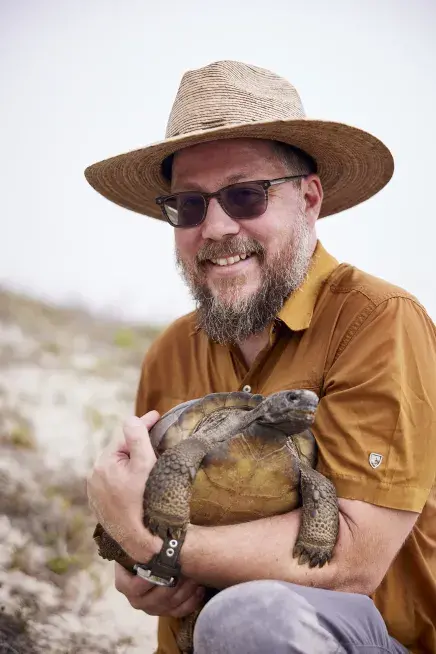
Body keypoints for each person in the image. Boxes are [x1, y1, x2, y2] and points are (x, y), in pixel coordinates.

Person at [85, 61, 436, 654]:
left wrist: (155, 544)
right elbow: (150, 526)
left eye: (246, 195)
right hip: (205, 635)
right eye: (189, 206)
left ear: (309, 198)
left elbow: (352, 560)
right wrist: (141, 571)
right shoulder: (172, 352)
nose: (216, 227)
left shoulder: (379, 321)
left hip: (363, 637)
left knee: (251, 616)